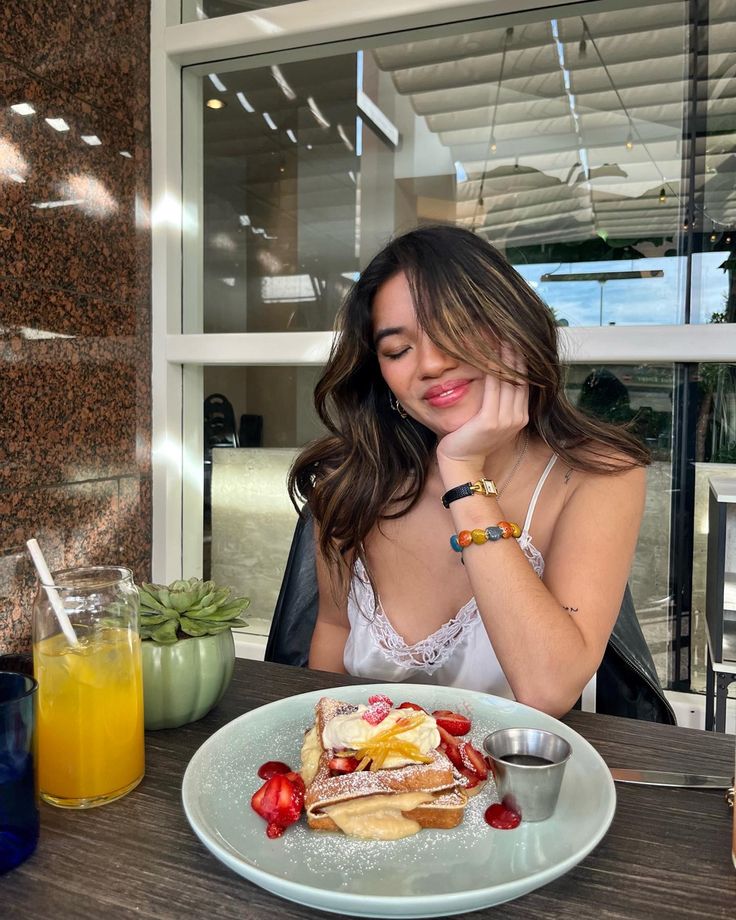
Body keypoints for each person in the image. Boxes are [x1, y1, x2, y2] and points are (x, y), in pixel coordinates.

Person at [288, 224, 650, 717]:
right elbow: (333, 632)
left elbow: (548, 689)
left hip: (517, 787)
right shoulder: (350, 480)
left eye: (454, 327)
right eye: (398, 350)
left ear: (510, 326)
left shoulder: (600, 476)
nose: (431, 364)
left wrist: (464, 474)